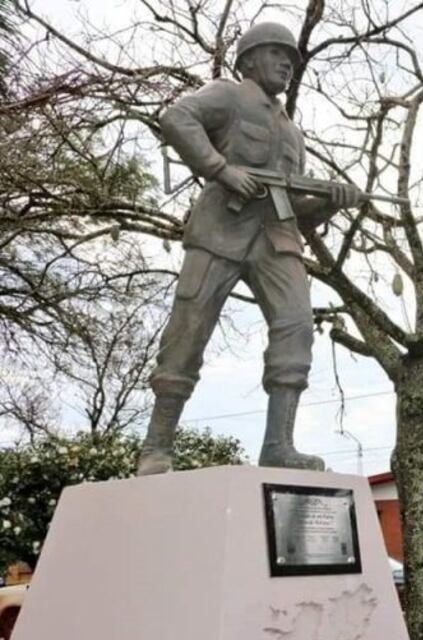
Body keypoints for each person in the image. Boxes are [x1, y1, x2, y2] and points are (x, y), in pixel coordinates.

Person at [137, 22, 362, 475]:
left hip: (276, 239)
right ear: (250, 60)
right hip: (221, 229)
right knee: (188, 328)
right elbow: (176, 118)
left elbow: (293, 208)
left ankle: (279, 445)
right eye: (277, 54)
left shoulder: (291, 131)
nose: (286, 64)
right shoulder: (229, 95)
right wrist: (220, 169)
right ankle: (156, 447)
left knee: (297, 326)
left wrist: (330, 203)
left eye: (291, 59)